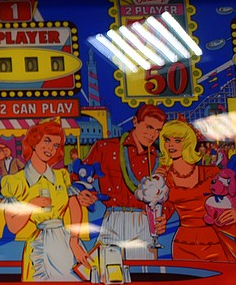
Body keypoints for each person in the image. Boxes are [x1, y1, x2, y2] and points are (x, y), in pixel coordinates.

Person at [0, 120, 93, 281]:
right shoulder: (15, 182)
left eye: (56, 145)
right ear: (34, 143)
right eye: (47, 141)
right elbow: (13, 227)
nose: (51, 148)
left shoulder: (61, 176)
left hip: (66, 243)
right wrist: (31, 206)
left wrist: (74, 241)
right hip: (39, 245)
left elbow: (75, 208)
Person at [84, 104, 167, 259]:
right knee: (107, 273)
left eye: (157, 130)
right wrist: (85, 193)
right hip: (113, 219)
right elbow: (80, 176)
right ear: (135, 121)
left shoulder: (159, 158)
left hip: (144, 221)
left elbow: (167, 195)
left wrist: (164, 217)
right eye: (149, 127)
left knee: (144, 276)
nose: (152, 134)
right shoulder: (105, 147)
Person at [154, 119, 236, 262]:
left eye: (177, 140)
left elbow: (231, 197)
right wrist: (160, 220)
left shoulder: (211, 172)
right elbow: (162, 209)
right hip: (183, 244)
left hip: (213, 241)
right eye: (167, 140)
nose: (170, 145)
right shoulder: (165, 178)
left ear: (188, 143)